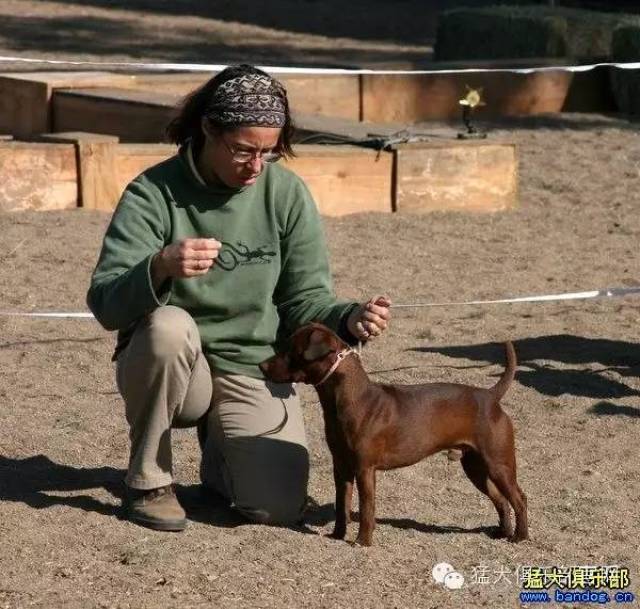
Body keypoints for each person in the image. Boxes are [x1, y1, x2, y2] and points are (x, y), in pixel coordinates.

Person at [87, 64, 391, 532]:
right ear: (209, 128)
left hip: (253, 364)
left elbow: (304, 299)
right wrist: (159, 265)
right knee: (169, 327)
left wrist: (348, 319)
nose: (255, 167)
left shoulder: (286, 192)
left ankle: (222, 456)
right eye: (244, 150)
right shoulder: (153, 192)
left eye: (268, 154)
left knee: (276, 508)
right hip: (177, 367)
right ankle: (149, 482)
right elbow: (106, 302)